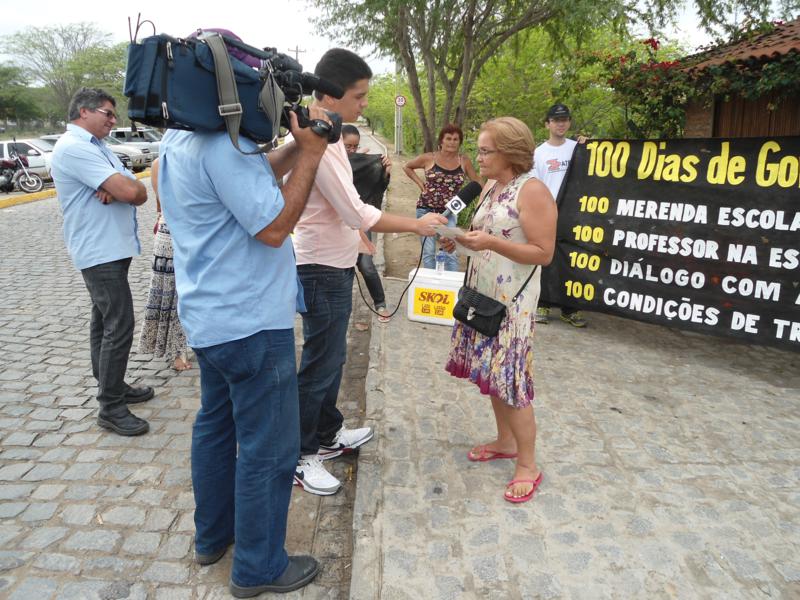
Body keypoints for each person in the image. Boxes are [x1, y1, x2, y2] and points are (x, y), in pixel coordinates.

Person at [159, 103, 332, 593]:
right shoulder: (223, 145)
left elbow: (245, 178)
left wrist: (296, 145)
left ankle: (213, 536)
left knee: (215, 427)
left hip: (211, 318)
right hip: (252, 323)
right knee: (268, 449)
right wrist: (311, 155)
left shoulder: (180, 138)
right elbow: (274, 228)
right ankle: (259, 567)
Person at [291, 48, 446, 496]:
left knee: (333, 358)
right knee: (319, 363)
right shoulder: (318, 142)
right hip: (318, 266)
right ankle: (299, 453)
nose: (363, 104)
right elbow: (356, 211)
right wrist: (416, 225)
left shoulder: (333, 136)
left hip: (335, 263)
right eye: (358, 96)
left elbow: (350, 210)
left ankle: (327, 433)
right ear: (330, 94)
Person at [444, 117, 557, 503]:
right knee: (494, 376)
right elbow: (486, 237)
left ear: (509, 152)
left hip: (512, 306)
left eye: (485, 151)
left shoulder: (533, 191)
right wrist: (458, 241)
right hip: (483, 297)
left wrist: (489, 242)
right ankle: (505, 442)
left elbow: (543, 252)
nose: (478, 157)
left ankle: (528, 464)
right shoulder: (491, 186)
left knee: (512, 384)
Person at [51, 87, 153, 437]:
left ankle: (112, 384)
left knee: (104, 321)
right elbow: (132, 192)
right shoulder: (75, 147)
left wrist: (124, 187)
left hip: (111, 247)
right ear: (84, 111)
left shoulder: (98, 147)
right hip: (99, 251)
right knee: (119, 324)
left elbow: (137, 189)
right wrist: (122, 187)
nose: (113, 120)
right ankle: (110, 407)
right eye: (107, 113)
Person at [532, 103, 587, 327]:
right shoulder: (539, 153)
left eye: (564, 120)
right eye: (556, 120)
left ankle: (570, 308)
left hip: (575, 214)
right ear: (547, 124)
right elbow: (534, 185)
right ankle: (543, 303)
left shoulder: (578, 148)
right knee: (546, 258)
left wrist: (590, 146)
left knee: (572, 260)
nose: (560, 124)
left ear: (569, 122)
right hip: (548, 212)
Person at [137, 158, 191, 371]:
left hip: (169, 229)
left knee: (173, 293)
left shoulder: (159, 162)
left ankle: (180, 351)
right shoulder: (167, 162)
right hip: (178, 231)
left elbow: (160, 205)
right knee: (176, 294)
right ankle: (178, 352)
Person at [403, 124, 481, 270]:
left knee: (451, 252)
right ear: (441, 141)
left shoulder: (464, 161)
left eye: (456, 139)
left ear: (460, 142)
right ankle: (430, 282)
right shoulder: (429, 158)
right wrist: (420, 183)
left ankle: (451, 284)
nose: (452, 142)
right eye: (448, 138)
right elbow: (407, 167)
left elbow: (477, 183)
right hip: (426, 210)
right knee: (428, 252)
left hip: (449, 213)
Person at [341, 124, 391, 322]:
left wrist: (384, 170)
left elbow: (377, 188)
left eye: (355, 146)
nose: (352, 151)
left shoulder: (362, 163)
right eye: (348, 146)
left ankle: (380, 303)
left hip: (360, 221)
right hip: (337, 226)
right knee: (341, 268)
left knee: (366, 265)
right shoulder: (330, 165)